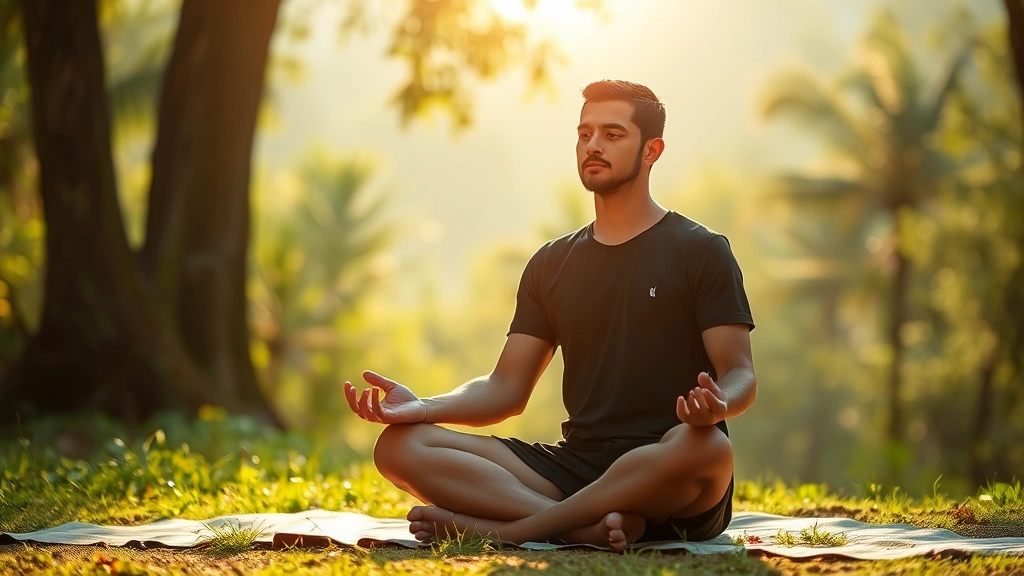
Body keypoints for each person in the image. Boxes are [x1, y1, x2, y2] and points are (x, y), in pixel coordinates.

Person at [344, 79, 756, 550]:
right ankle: (583, 528)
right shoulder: (551, 263)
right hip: (574, 467)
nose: (593, 145)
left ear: (652, 150)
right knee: (400, 446)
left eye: (613, 134)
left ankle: (516, 530)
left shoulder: (701, 250)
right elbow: (505, 390)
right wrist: (423, 408)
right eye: (585, 133)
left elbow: (740, 372)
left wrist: (719, 404)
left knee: (706, 446)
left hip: (669, 469)